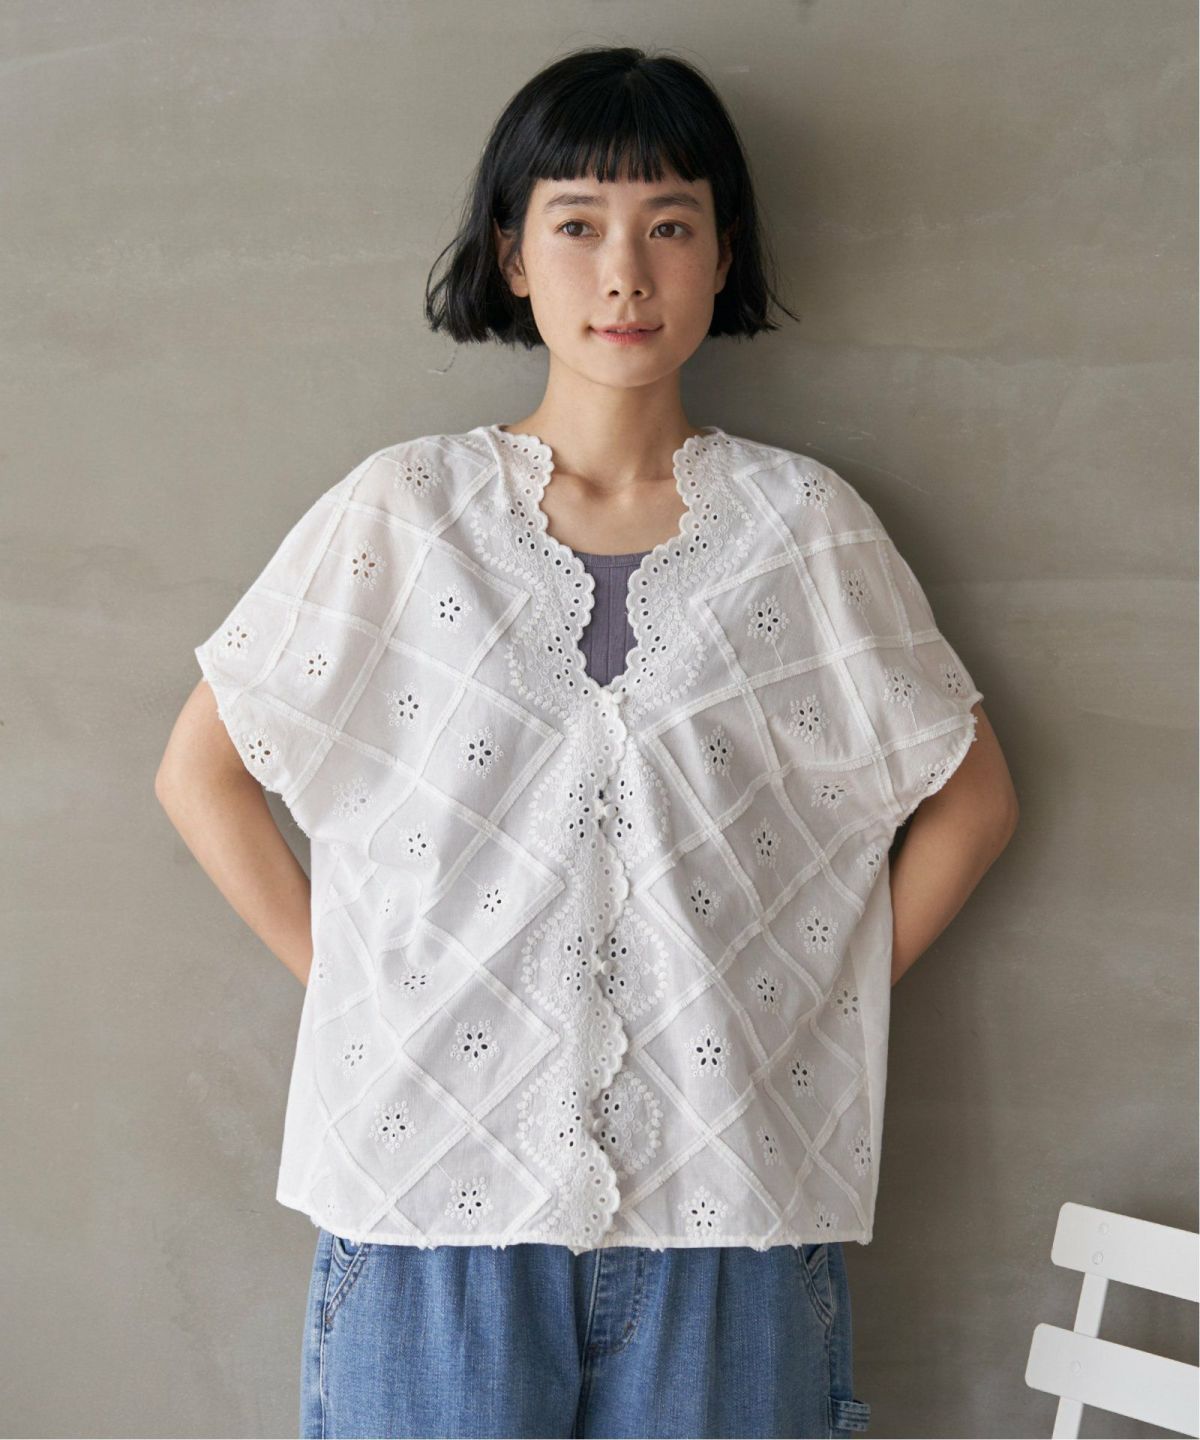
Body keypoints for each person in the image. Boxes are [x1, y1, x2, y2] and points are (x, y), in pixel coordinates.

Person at [155, 44, 1019, 1440]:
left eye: (670, 225)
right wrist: (358, 988)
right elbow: (202, 772)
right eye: (578, 224)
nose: (625, 273)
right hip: (429, 1202)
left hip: (728, 1205)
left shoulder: (804, 526)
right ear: (512, 254)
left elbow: (971, 801)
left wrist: (812, 1001)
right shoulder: (405, 510)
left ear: (723, 256)